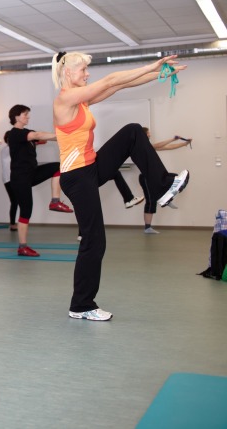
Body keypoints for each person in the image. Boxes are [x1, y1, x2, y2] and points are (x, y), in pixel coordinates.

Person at [52, 51, 189, 321]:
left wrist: (160, 74)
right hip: (77, 177)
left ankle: (163, 186)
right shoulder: (65, 99)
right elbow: (111, 78)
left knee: (133, 131)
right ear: (69, 73)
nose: (87, 75)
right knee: (95, 241)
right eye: (83, 71)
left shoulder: (82, 101)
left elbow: (119, 84)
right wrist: (153, 63)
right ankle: (81, 305)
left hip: (90, 167)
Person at [7, 104, 74, 257]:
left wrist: (62, 133)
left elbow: (41, 137)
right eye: (25, 114)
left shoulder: (26, 132)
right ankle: (22, 247)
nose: (28, 117)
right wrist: (60, 135)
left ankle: (55, 201)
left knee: (59, 167)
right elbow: (37, 135)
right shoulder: (15, 133)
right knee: (26, 211)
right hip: (20, 178)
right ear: (17, 117)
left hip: (32, 173)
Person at [139, 127, 191, 234]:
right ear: (144, 135)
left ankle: (167, 199)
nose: (150, 134)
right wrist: (172, 139)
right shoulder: (142, 147)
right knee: (150, 201)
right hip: (146, 178)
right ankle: (147, 227)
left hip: (153, 176)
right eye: (148, 133)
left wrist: (184, 144)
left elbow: (169, 147)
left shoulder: (148, 147)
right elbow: (158, 145)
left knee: (173, 177)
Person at [1, 131, 18, 231]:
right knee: (14, 201)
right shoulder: (6, 149)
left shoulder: (12, 149)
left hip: (13, 178)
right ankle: (12, 224)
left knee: (16, 202)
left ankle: (13, 223)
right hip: (8, 179)